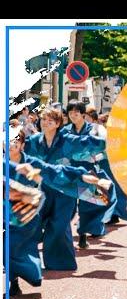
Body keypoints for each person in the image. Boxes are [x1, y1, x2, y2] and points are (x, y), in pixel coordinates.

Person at [23, 107, 107, 270]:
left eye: (50, 120)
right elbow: (18, 154)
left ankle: (60, 263)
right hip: (39, 189)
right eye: (43, 119)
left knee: (59, 225)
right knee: (31, 226)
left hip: (64, 190)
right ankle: (28, 265)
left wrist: (113, 141)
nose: (45, 123)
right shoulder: (33, 141)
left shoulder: (67, 139)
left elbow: (88, 143)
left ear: (58, 123)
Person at [62, 100, 117, 247]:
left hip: (89, 170)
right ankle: (62, 236)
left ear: (83, 114)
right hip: (70, 170)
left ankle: (82, 235)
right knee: (67, 205)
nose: (73, 115)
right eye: (70, 112)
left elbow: (107, 147)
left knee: (87, 204)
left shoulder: (96, 129)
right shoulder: (64, 130)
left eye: (76, 112)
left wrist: (96, 157)